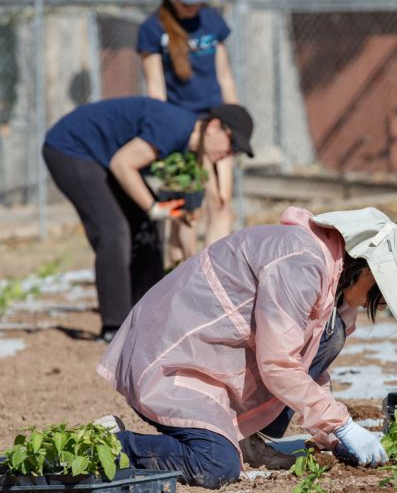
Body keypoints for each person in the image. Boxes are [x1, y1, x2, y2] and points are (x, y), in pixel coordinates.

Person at [96, 206, 397, 487]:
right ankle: (110, 444)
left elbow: (308, 360)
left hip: (214, 359)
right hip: (172, 359)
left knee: (332, 333)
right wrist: (343, 424)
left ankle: (243, 437)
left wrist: (331, 436)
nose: (380, 306)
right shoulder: (302, 263)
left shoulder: (332, 277)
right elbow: (280, 364)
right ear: (369, 267)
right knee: (216, 465)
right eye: (383, 295)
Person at [42, 97, 254, 343]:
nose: (230, 153)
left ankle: (148, 313)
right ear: (215, 126)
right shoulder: (174, 127)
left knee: (146, 223)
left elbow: (185, 218)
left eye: (235, 151)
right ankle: (115, 325)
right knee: (114, 230)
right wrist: (153, 207)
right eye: (232, 143)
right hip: (70, 148)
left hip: (102, 158)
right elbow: (122, 164)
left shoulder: (190, 152)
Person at [137, 0, 240, 260]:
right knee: (185, 210)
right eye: (186, 0)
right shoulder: (153, 30)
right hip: (180, 127)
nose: (193, 6)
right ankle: (182, 274)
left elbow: (224, 75)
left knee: (221, 201)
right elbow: (155, 89)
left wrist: (234, 122)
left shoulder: (212, 21)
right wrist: (165, 135)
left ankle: (213, 276)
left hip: (217, 125)